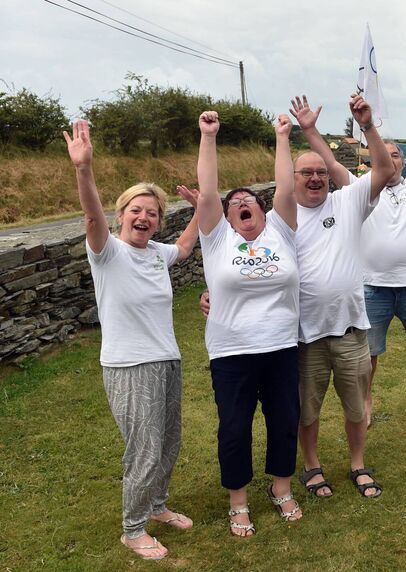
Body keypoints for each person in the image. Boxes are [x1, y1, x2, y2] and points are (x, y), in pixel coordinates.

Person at [64, 120, 199, 560]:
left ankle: (156, 507)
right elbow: (90, 216)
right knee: (143, 448)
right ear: (121, 214)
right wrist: (84, 170)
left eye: (153, 213)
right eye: (136, 210)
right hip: (129, 365)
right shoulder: (107, 252)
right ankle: (133, 528)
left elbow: (184, 246)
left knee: (168, 442)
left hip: (168, 359)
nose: (144, 218)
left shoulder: (156, 254)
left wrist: (198, 209)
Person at [290, 96, 406, 427]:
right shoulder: (359, 188)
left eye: (396, 154)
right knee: (370, 353)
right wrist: (310, 130)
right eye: (386, 154)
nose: (391, 159)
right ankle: (366, 399)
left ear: (404, 161)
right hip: (373, 286)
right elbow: (329, 162)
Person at [196, 111, 302, 536]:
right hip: (231, 352)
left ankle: (281, 487)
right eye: (234, 203)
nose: (242, 204)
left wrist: (282, 137)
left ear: (264, 210)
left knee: (284, 420)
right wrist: (208, 137)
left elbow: (286, 185)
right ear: (226, 216)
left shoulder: (282, 229)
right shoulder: (218, 238)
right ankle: (238, 502)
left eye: (250, 201)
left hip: (280, 347)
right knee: (235, 427)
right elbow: (206, 192)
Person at [288, 94, 394, 498]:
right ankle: (312, 467)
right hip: (305, 333)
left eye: (320, 171)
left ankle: (357, 464)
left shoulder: (347, 201)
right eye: (306, 173)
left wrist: (367, 125)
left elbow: (384, 170)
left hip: (350, 331)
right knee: (307, 409)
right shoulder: (281, 215)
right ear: (292, 178)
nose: (315, 178)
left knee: (355, 406)